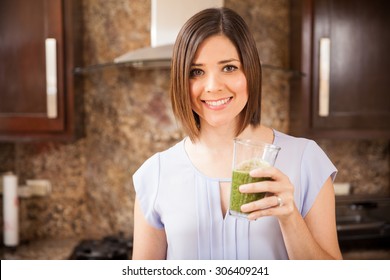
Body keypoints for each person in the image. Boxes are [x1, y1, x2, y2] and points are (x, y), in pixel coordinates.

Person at [132, 7, 342, 260]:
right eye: (196, 72)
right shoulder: (155, 174)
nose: (213, 87)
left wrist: (290, 217)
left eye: (229, 68)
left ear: (250, 72)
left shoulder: (306, 160)